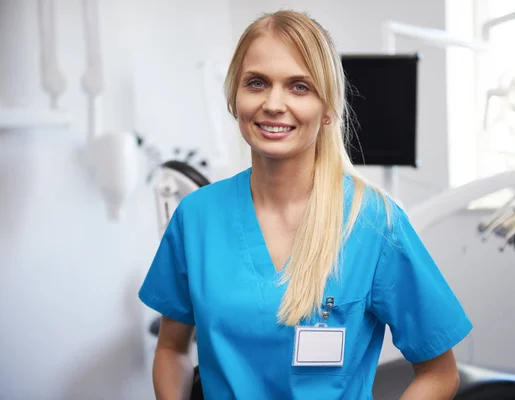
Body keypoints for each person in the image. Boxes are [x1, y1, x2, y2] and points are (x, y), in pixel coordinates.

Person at [139, 9, 472, 400]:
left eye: (299, 86)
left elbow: (438, 372)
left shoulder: (373, 222)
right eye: (257, 83)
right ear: (234, 98)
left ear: (328, 108)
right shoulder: (196, 217)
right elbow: (171, 349)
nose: (274, 104)